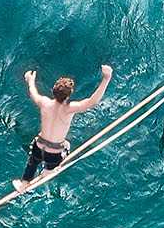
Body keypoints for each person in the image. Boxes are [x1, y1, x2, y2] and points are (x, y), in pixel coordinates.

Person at [14, 64, 112, 192]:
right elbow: (92, 102)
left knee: (32, 162)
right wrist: (106, 78)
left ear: (53, 91)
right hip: (54, 155)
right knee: (66, 145)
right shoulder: (69, 109)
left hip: (38, 148)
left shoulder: (44, 102)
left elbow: (33, 93)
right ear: (68, 96)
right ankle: (49, 171)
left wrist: (30, 80)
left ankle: (24, 182)